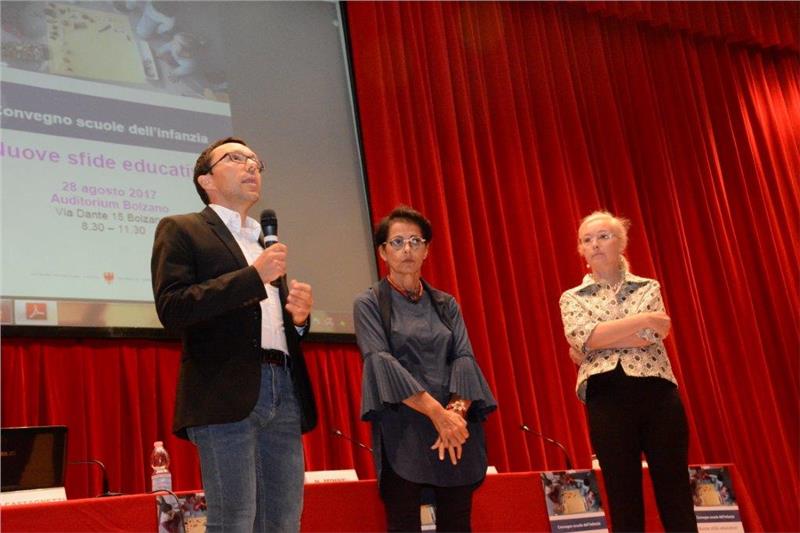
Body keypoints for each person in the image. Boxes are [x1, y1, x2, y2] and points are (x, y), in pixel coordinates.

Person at [151, 137, 317, 533]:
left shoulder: (262, 242)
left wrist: (298, 321)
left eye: (255, 160)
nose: (251, 166)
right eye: (236, 158)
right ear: (206, 180)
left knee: (284, 521)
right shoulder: (182, 229)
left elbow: (267, 324)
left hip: (283, 389)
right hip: (224, 388)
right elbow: (173, 308)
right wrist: (253, 277)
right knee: (234, 521)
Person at [353, 206, 497, 532]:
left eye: (415, 241)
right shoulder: (369, 303)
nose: (407, 249)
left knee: (457, 525)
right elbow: (381, 363)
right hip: (404, 428)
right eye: (397, 242)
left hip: (455, 426)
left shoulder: (446, 304)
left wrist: (454, 416)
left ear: (426, 250)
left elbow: (464, 358)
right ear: (383, 252)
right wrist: (437, 414)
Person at [559, 210, 697, 532]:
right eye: (587, 240)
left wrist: (599, 340)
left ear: (621, 242)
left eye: (603, 236)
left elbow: (649, 335)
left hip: (658, 395)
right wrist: (641, 321)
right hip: (605, 398)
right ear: (581, 250)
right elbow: (584, 336)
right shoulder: (572, 298)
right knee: (623, 497)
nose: (595, 244)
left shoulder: (647, 287)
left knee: (675, 492)